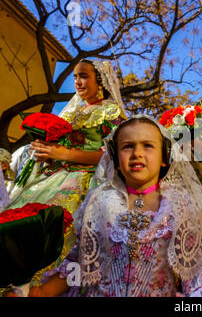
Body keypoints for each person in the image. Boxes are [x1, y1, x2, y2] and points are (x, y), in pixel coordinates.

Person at [27, 115, 202, 297]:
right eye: (128, 146)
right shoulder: (100, 200)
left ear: (164, 158)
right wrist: (42, 292)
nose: (137, 153)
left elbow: (194, 274)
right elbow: (80, 262)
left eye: (148, 146)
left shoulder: (179, 204)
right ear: (116, 160)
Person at [4, 59, 126, 290]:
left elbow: (113, 154)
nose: (78, 82)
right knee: (21, 220)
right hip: (52, 176)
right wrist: (47, 154)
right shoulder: (72, 113)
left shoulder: (110, 111)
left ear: (99, 80)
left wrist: (64, 153)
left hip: (84, 180)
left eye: (84, 76)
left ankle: (41, 287)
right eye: (75, 77)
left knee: (54, 227)